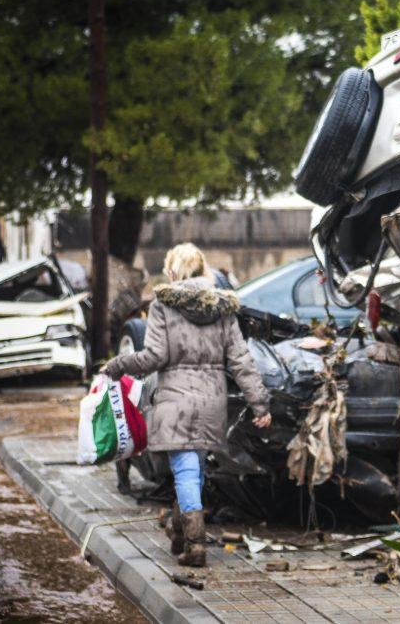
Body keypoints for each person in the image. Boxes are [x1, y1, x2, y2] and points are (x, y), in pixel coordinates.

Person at [103, 243, 271, 567]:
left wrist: (117, 365)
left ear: (172, 271)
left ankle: (195, 545)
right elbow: (241, 361)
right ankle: (178, 531)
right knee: (194, 471)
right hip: (211, 401)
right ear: (203, 269)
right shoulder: (223, 308)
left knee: (185, 472)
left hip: (175, 399)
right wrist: (259, 404)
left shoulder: (162, 306)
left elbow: (154, 357)